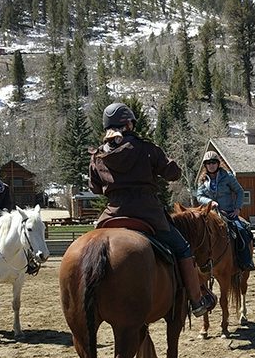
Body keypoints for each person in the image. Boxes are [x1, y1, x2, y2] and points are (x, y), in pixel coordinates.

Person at [88, 102, 216, 316]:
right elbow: (172, 173)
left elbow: (95, 188)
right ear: (129, 124)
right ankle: (196, 300)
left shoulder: (97, 156)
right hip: (147, 211)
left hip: (112, 212)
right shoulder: (146, 149)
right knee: (183, 248)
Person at [195, 151, 255, 271]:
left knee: (242, 231)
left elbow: (240, 191)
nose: (211, 165)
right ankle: (198, 265)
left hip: (228, 213)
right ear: (205, 165)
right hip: (210, 214)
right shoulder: (202, 180)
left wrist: (238, 208)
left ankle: (246, 261)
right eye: (208, 163)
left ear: (218, 164)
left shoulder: (228, 177)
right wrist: (209, 202)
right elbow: (199, 196)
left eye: (213, 162)